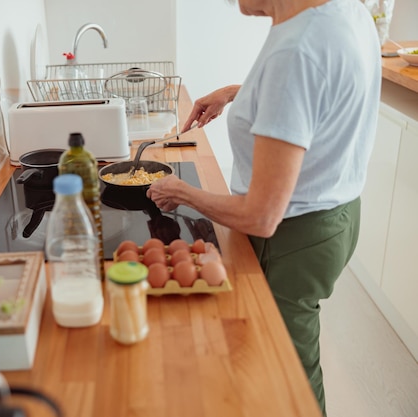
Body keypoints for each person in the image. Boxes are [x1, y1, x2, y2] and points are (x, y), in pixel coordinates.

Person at [147, 0, 381, 415]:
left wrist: (181, 192)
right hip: (338, 215)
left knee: (288, 370)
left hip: (294, 236)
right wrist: (242, 94)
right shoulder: (347, 11)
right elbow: (320, 92)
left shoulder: (296, 50)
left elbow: (260, 216)